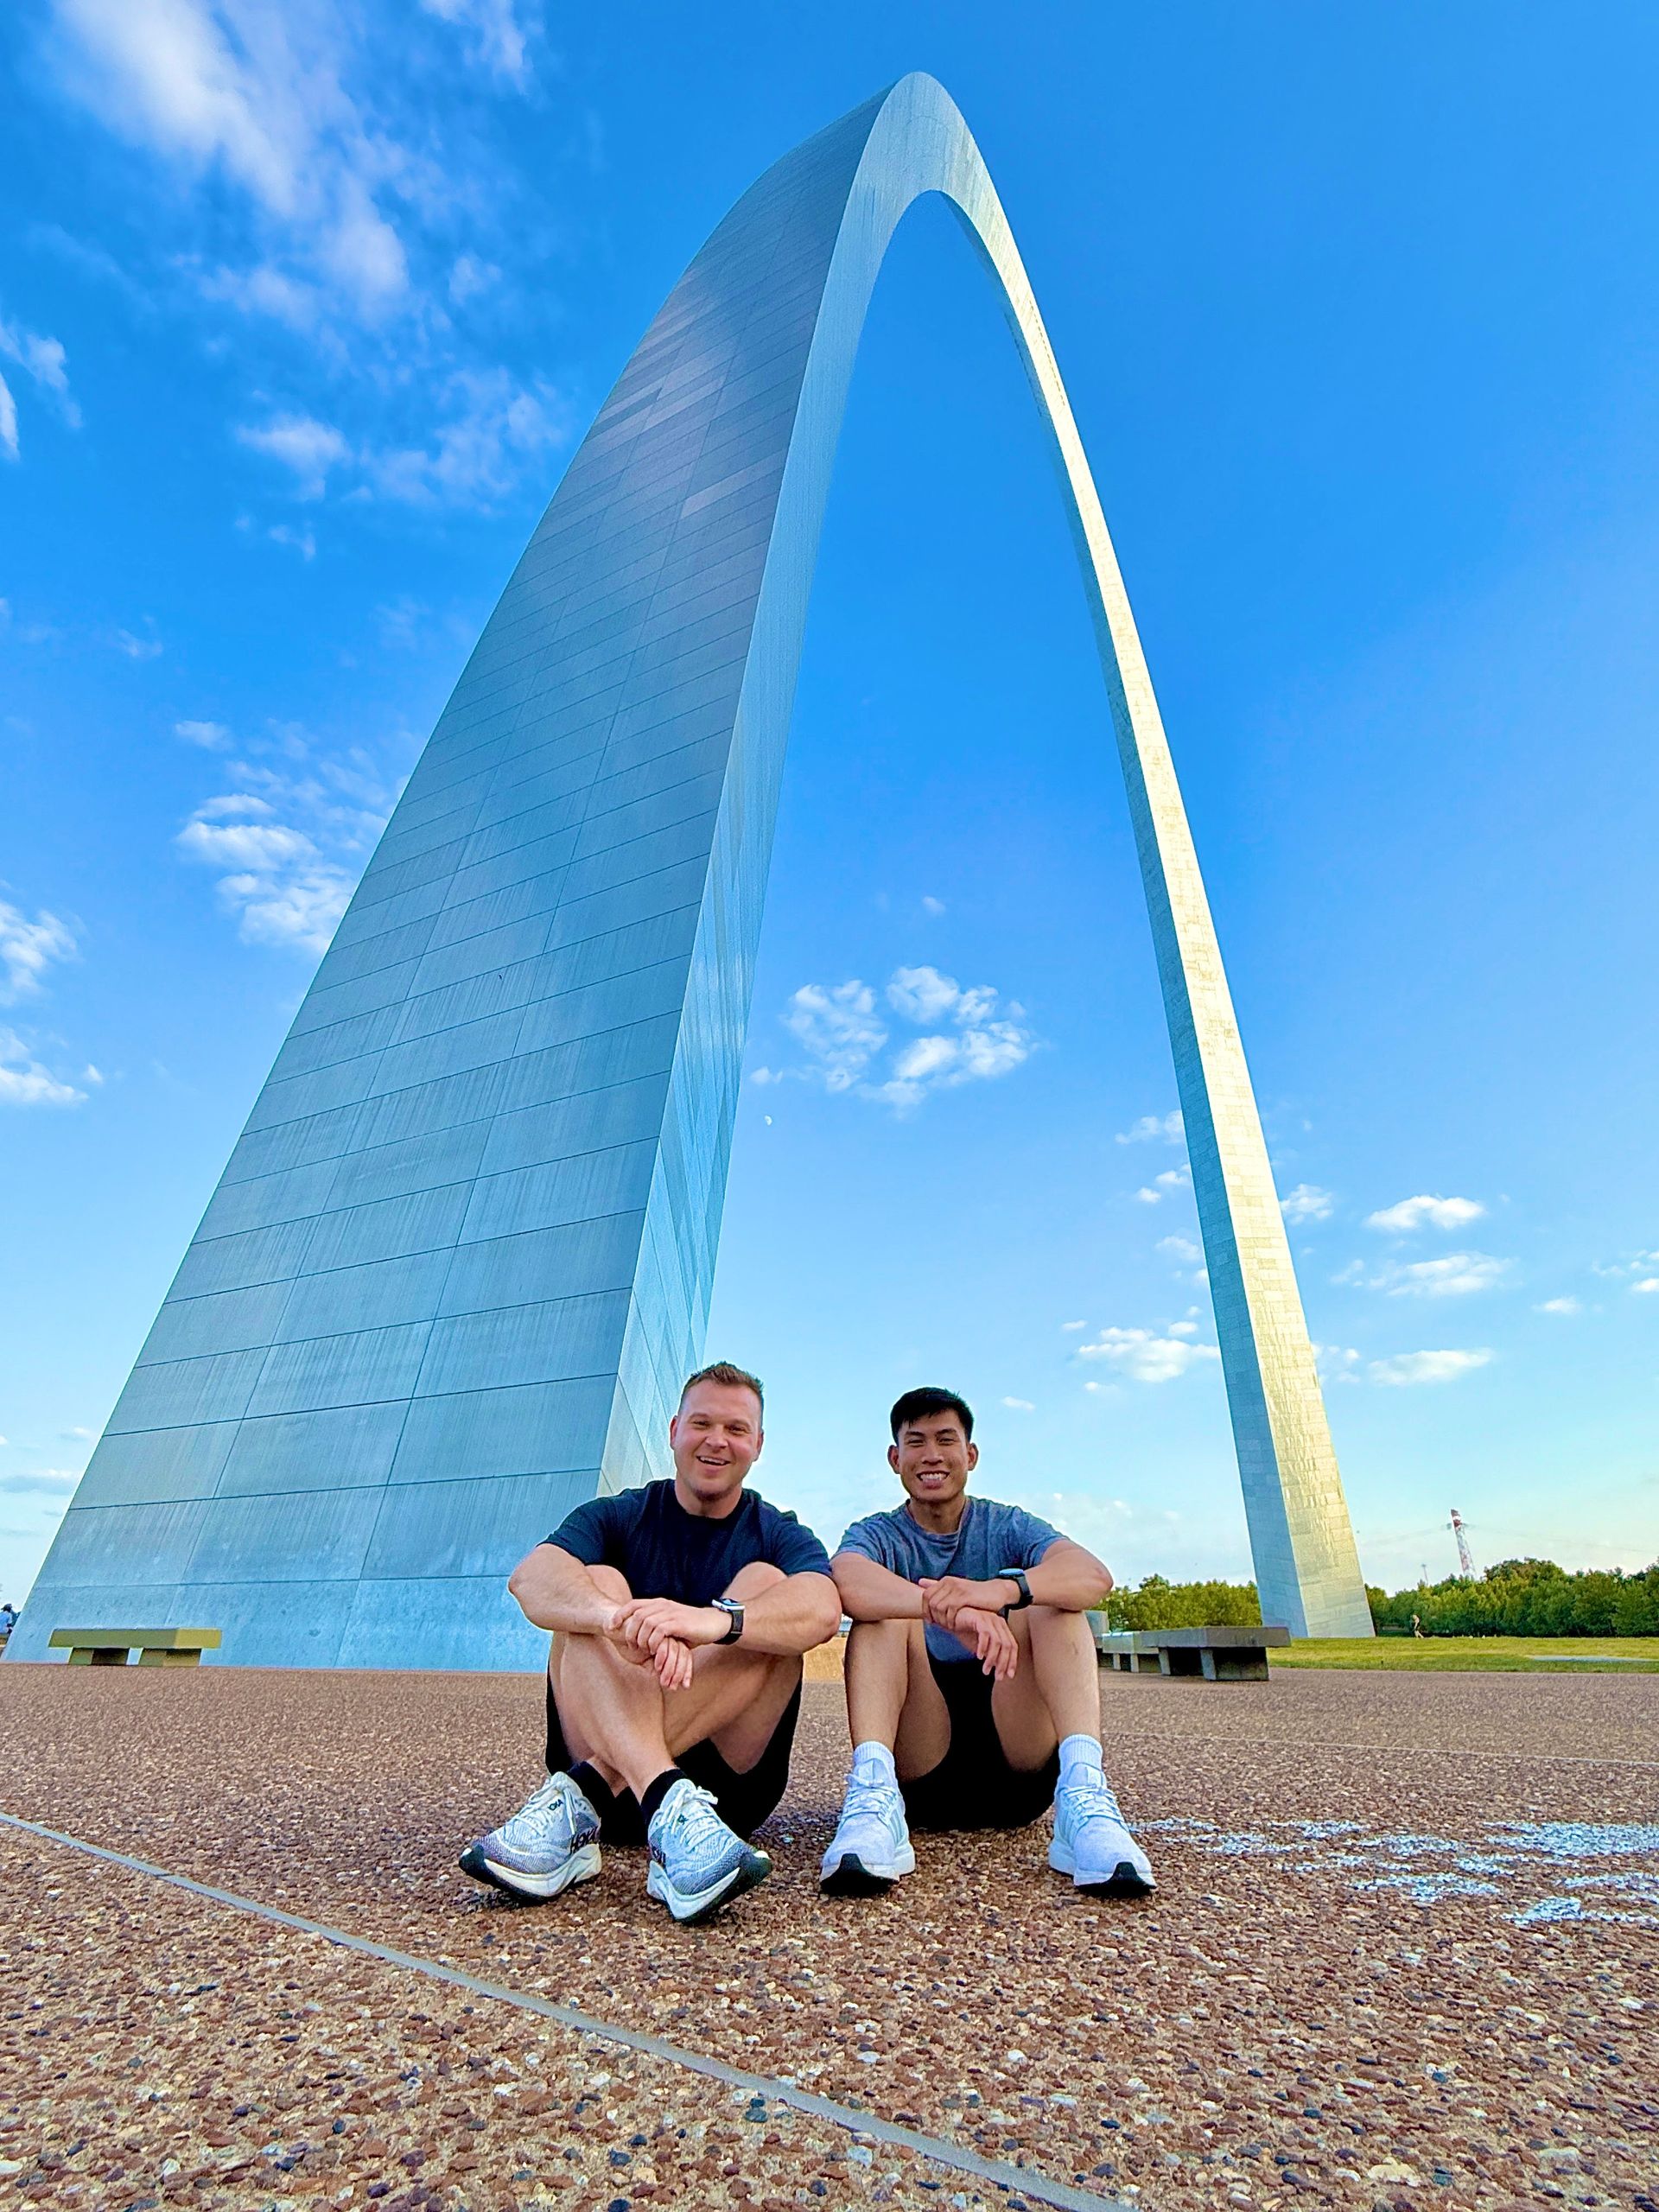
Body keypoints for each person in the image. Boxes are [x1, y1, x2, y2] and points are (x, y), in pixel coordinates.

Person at [462, 1363, 841, 1924]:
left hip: (725, 1804)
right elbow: (532, 1579)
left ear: (758, 1445)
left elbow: (822, 1608)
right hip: (613, 1813)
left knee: (765, 1592)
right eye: (702, 1423)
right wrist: (614, 1618)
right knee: (595, 1585)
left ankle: (585, 1794)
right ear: (673, 1431)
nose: (717, 1441)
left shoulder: (776, 1529)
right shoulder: (620, 1514)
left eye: (736, 1429)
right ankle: (663, 1796)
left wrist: (714, 1622)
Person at [819, 1386, 1154, 1900]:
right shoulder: (879, 1533)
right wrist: (950, 1613)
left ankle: (1084, 1794)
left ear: (970, 1455)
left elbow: (1092, 1575)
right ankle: (871, 1797)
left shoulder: (1007, 1524)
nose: (932, 1455)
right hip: (918, 1766)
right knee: (878, 1613)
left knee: (1053, 1600)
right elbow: (845, 1581)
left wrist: (999, 1592)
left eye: (946, 1440)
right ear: (895, 1459)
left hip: (1016, 1763)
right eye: (916, 1442)